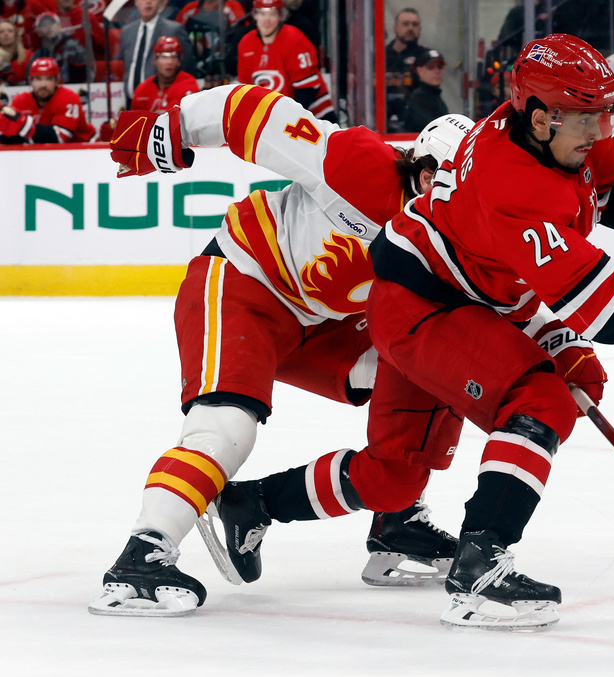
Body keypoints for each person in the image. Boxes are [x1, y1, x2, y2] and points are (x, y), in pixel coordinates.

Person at [363, 34, 614, 631]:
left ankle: (267, 504)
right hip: (421, 303)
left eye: (607, 112)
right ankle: (477, 568)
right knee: (539, 399)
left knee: (551, 395)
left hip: (479, 295)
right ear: (540, 116)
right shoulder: (513, 189)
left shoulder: (554, 134)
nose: (602, 129)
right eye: (588, 116)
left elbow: (610, 178)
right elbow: (605, 308)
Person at [89, 85, 474, 616]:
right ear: (417, 164)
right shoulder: (358, 165)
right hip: (243, 287)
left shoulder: (456, 231)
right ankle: (142, 555)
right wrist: (176, 125)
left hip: (319, 324)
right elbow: (257, 113)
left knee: (430, 368)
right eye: (434, 177)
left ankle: (398, 517)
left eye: (456, 188)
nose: (440, 197)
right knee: (226, 428)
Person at [237, 0, 334, 121]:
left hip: (315, 115)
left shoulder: (294, 39)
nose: (266, 20)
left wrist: (287, 117)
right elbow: (247, 88)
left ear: (280, 16)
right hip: (278, 116)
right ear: (254, 15)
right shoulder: (246, 43)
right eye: (262, 14)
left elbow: (308, 89)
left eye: (272, 14)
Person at [0, 56, 95, 143]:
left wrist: (23, 125)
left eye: (48, 79)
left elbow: (60, 138)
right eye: (38, 79)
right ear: (30, 80)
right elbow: (14, 139)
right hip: (45, 155)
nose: (43, 84)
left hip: (84, 151)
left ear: (57, 80)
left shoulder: (69, 98)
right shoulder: (21, 101)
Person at [118, 0, 195, 101]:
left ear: (160, 3)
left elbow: (187, 65)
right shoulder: (127, 31)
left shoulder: (174, 29)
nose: (148, 2)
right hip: (131, 100)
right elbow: (126, 65)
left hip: (162, 101)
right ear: (136, 2)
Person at [384, 7, 427, 133]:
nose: (410, 28)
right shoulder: (380, 56)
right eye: (405, 24)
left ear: (420, 29)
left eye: (415, 24)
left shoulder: (427, 59)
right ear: (395, 27)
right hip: (382, 122)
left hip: (416, 126)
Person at [130, 35, 198, 112]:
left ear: (179, 61)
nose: (169, 62)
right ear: (155, 59)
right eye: (164, 57)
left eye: (174, 57)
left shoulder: (188, 84)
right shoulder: (142, 89)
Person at [28, 11, 85, 82]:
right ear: (39, 32)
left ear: (59, 26)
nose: (49, 27)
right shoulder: (37, 56)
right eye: (44, 25)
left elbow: (85, 75)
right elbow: (30, 80)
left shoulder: (73, 46)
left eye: (52, 23)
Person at [402, 47, 447, 134]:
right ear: (419, 70)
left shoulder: (436, 98)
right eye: (431, 67)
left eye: (440, 66)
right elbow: (433, 129)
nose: (437, 71)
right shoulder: (418, 99)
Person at [0, 17, 30, 84]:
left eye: (10, 31)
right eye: (1, 32)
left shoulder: (28, 55)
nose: (6, 34)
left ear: (16, 35)